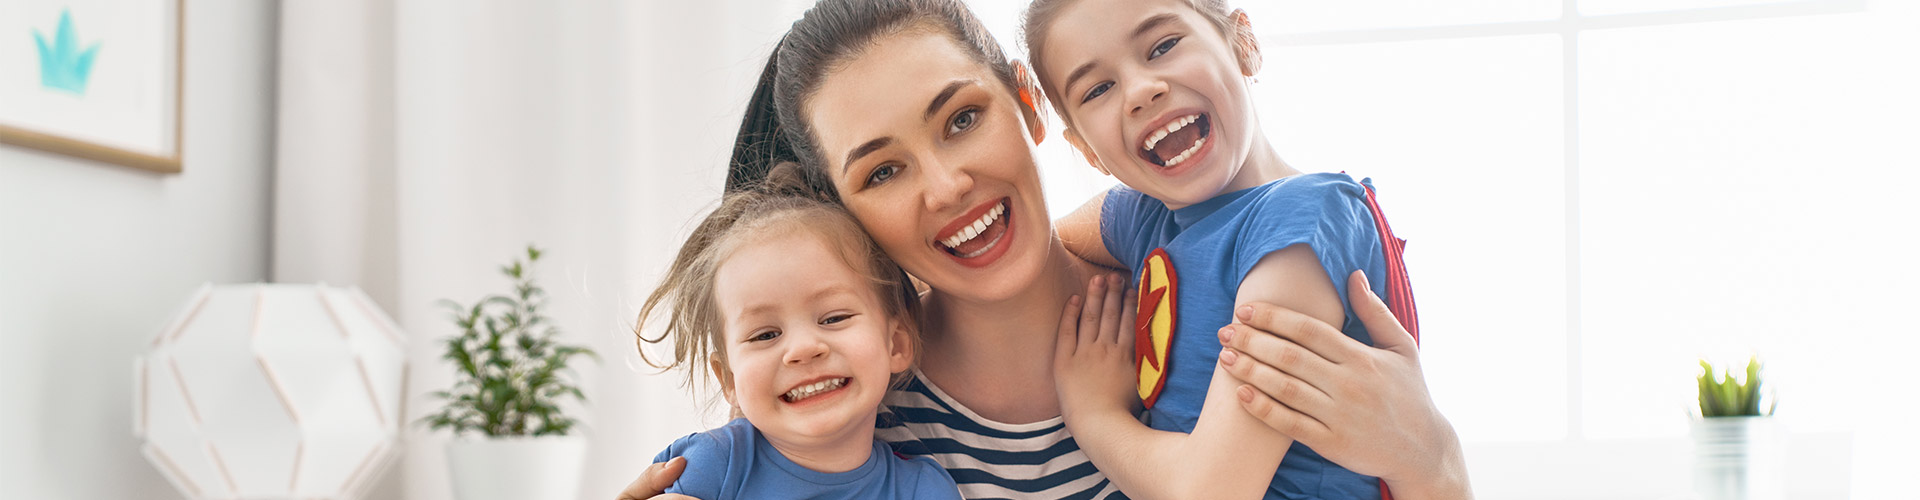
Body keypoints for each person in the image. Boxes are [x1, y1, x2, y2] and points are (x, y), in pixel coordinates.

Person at [619, 1, 1471, 499]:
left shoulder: (1205, 307)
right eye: (882, 172)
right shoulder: (847, 403)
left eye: (963, 119)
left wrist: (1436, 466)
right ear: (843, 211)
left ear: (1030, 107)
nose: (947, 187)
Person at [1022, 0, 1416, 497]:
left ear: (1243, 45)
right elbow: (1042, 246)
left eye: (1163, 46)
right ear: (1086, 150)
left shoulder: (1309, 218)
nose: (1141, 92)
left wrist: (1092, 412)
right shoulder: (1149, 218)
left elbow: (1211, 490)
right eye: (1098, 89)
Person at [634, 173, 961, 500]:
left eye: (834, 317)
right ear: (729, 379)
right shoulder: (711, 467)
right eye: (765, 335)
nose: (803, 349)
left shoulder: (924, 490)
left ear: (896, 343)